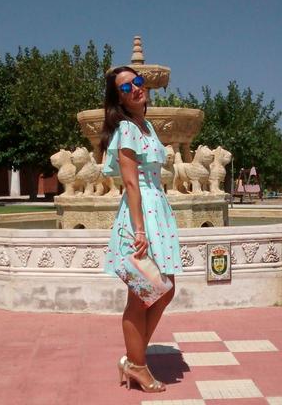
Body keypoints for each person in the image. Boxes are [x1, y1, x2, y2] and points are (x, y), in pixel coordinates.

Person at [100, 66, 182, 393]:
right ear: (118, 99)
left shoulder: (145, 125)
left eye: (137, 81)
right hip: (141, 213)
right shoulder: (125, 129)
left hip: (156, 209)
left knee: (164, 288)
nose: (135, 88)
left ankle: (133, 358)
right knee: (140, 294)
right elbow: (131, 183)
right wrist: (139, 231)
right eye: (125, 87)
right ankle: (137, 364)